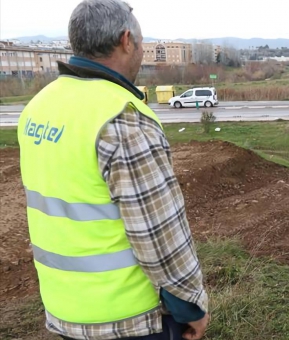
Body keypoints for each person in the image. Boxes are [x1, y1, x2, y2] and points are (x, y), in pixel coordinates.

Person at [17, 1, 209, 339]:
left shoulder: (38, 107)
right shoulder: (121, 118)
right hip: (128, 319)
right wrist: (190, 306)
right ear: (126, 40)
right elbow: (158, 234)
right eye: (141, 42)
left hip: (65, 310)